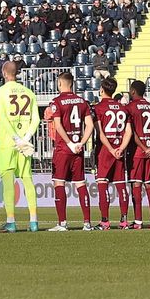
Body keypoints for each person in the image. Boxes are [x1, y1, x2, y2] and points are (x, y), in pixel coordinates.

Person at [0, 61, 39, 232]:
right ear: (16, 73)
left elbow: (2, 117)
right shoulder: (29, 92)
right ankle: (34, 221)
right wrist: (25, 138)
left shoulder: (0, 92)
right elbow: (36, 120)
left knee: (8, 181)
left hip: (7, 142)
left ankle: (11, 221)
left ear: (4, 73)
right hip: (24, 143)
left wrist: (15, 138)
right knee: (27, 179)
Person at [46, 72, 94, 232]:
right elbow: (90, 126)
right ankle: (87, 223)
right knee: (80, 183)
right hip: (78, 149)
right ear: (72, 84)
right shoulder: (82, 102)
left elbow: (58, 126)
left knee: (59, 182)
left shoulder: (57, 102)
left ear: (60, 84)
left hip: (63, 149)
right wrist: (80, 143)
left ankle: (62, 223)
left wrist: (69, 143)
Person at [93, 78, 133, 230]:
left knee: (103, 185)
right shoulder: (123, 108)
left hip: (105, 150)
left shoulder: (98, 108)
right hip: (119, 150)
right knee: (121, 185)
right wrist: (121, 148)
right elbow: (128, 131)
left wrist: (110, 149)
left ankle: (105, 221)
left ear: (102, 90)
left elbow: (100, 132)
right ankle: (124, 221)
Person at [125, 81, 150, 229]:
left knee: (136, 184)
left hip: (137, 152)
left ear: (133, 92)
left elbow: (131, 132)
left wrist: (143, 148)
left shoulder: (130, 108)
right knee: (149, 184)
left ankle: (138, 221)